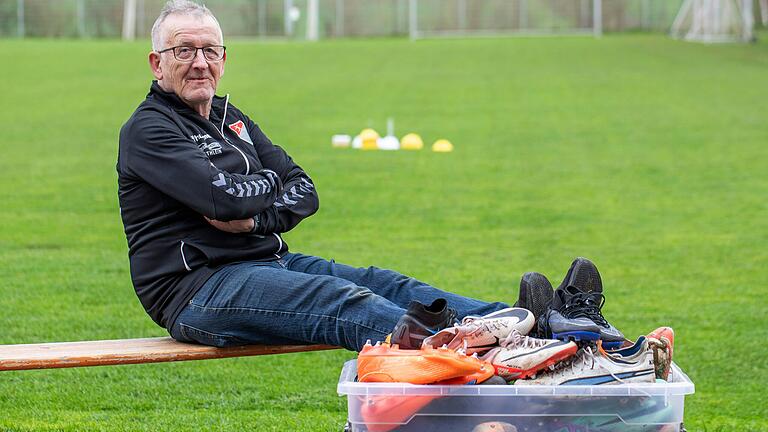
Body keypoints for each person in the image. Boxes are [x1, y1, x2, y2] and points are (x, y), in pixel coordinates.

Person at [117, 0, 508, 352]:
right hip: (199, 289)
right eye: (184, 51)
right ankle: (475, 353)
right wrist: (270, 182)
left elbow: (304, 189)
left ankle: (520, 322)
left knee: (387, 284)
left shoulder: (230, 118)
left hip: (269, 261)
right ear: (157, 63)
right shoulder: (150, 129)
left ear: (223, 58)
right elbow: (226, 200)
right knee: (340, 299)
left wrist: (256, 218)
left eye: (210, 51)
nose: (200, 62)